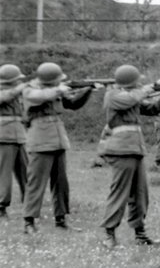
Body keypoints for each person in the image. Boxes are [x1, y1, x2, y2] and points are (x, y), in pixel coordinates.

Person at [99, 65, 160, 248]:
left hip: (134, 148)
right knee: (120, 193)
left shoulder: (131, 96)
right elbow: (132, 98)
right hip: (121, 148)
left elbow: (152, 109)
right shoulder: (114, 95)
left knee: (140, 195)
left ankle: (140, 234)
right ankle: (109, 235)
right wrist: (146, 89)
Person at [21, 62, 95, 233]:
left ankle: (61, 219)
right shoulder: (30, 89)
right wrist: (60, 89)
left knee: (61, 182)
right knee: (36, 182)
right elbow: (37, 97)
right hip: (40, 139)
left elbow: (73, 104)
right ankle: (29, 222)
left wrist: (88, 90)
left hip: (58, 139)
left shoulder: (55, 90)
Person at [0, 64, 28, 219]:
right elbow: (4, 98)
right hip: (4, 136)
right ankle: (1, 206)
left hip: (19, 136)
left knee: (26, 172)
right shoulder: (9, 92)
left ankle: (29, 204)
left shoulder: (16, 93)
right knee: (4, 173)